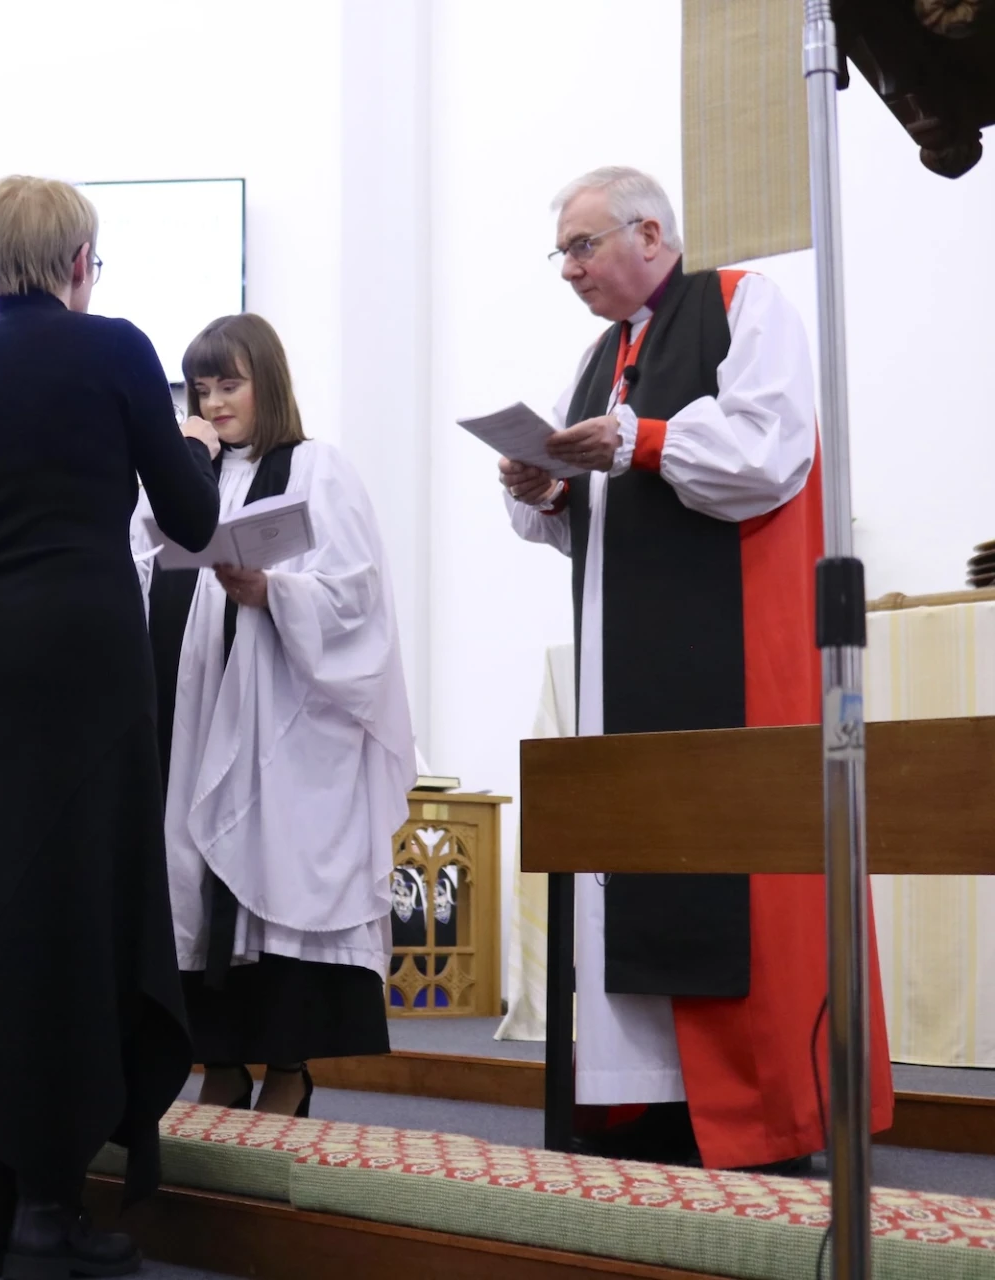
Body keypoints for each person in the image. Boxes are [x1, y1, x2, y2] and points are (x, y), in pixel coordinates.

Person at [500, 165, 893, 1171]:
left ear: (649, 233)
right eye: (562, 252)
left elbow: (767, 453)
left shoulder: (742, 305)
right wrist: (546, 488)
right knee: (638, 872)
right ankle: (653, 1102)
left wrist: (642, 439)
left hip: (734, 659)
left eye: (582, 246)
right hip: (623, 665)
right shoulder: (597, 359)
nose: (569, 269)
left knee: (734, 872)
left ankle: (758, 1113)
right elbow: (593, 521)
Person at [0, 175, 220, 1279]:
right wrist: (194, 449)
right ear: (79, 259)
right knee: (84, 897)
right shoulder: (118, 350)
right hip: (89, 643)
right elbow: (189, 519)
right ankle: (51, 1205)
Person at [133, 314, 414, 1119]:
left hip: (283, 730)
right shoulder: (182, 481)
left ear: (269, 383)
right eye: (201, 390)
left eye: (230, 385)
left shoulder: (318, 470)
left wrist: (273, 591)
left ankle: (289, 1064)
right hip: (190, 720)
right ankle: (220, 1060)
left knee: (276, 888)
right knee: (193, 886)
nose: (214, 404)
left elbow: (357, 594)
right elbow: (139, 569)